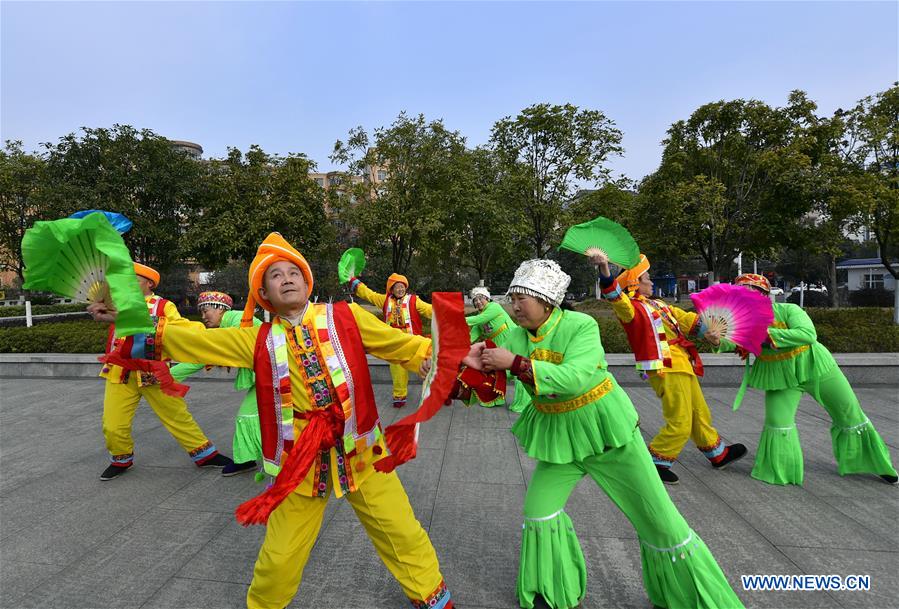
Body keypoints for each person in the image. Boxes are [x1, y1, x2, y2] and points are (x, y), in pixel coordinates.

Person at [90, 234, 457, 609]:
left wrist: (429, 356)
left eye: (294, 271)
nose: (287, 278)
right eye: (275, 275)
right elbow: (192, 342)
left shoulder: (346, 316)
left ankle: (431, 596)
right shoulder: (255, 339)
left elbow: (401, 344)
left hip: (362, 448)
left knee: (401, 530)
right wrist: (130, 318)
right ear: (264, 292)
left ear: (307, 280)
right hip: (300, 461)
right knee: (280, 558)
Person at [470, 258, 744, 609]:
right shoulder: (515, 336)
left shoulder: (581, 325)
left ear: (547, 299)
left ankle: (693, 597)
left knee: (660, 521)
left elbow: (577, 377)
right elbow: (492, 372)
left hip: (608, 435)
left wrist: (516, 364)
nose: (514, 306)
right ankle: (552, 592)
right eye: (512, 298)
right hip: (561, 441)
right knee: (538, 513)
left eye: (522, 298)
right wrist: (466, 369)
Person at [724, 273, 897, 486]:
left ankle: (876, 464)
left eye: (752, 294)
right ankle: (780, 471)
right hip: (781, 377)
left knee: (849, 414)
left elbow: (807, 334)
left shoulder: (789, 310)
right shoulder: (739, 325)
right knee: (778, 423)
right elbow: (722, 342)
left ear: (765, 296)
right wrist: (714, 335)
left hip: (817, 368)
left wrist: (766, 335)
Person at [593, 252, 747, 485]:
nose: (652, 282)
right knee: (681, 419)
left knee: (698, 411)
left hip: (682, 363)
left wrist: (712, 333)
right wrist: (605, 268)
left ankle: (718, 454)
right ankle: (656, 462)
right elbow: (614, 294)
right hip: (665, 367)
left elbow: (688, 320)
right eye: (647, 278)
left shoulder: (660, 305)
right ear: (635, 284)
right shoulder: (631, 309)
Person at [94, 263, 233, 481]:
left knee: (177, 416)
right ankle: (121, 459)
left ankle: (205, 455)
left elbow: (180, 329)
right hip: (120, 371)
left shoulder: (164, 306)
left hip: (153, 371)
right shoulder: (117, 303)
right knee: (112, 423)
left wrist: (208, 334)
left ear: (149, 283)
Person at [170, 291, 262, 477]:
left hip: (278, 374)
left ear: (221, 309)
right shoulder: (224, 328)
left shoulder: (238, 319)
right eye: (201, 312)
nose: (203, 316)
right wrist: (167, 376)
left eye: (207, 310)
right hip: (269, 376)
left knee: (248, 416)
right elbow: (201, 358)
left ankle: (252, 460)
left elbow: (205, 356)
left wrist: (167, 376)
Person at [349, 272, 432, 408]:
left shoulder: (413, 300)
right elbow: (369, 294)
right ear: (391, 289)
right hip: (394, 340)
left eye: (402, 286)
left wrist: (445, 313)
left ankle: (438, 394)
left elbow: (429, 309)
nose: (400, 289)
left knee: (426, 367)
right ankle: (399, 396)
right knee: (397, 368)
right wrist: (352, 280)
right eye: (397, 287)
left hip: (413, 340)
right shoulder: (384, 300)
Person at [465, 286, 530, 412]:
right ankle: (495, 398)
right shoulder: (480, 319)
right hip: (498, 347)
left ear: (487, 298)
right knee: (495, 372)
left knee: (519, 372)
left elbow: (478, 319)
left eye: (480, 299)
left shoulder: (494, 307)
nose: (478, 302)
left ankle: (525, 404)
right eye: (475, 301)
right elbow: (470, 337)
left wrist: (456, 318)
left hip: (514, 341)